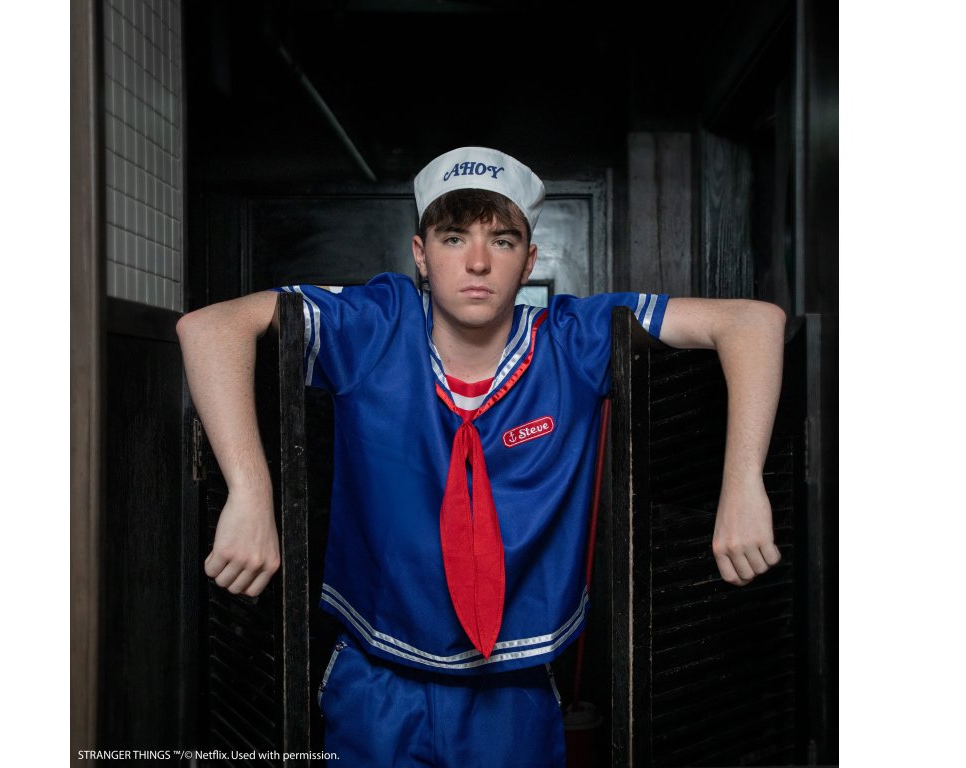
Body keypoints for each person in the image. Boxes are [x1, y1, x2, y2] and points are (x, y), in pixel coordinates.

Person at [176, 146, 786, 767]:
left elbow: (752, 322)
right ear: (420, 255)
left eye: (501, 240)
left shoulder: (572, 340)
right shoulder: (374, 325)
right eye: (453, 238)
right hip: (377, 679)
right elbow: (209, 328)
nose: (476, 262)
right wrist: (249, 493)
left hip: (512, 690)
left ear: (529, 260)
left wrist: (743, 485)